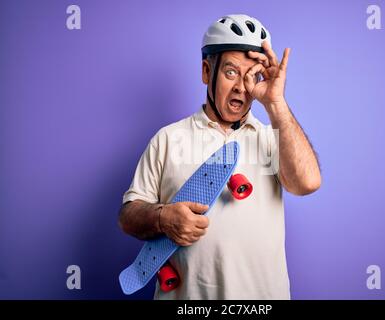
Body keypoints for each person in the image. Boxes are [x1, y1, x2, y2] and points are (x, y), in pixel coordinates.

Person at [119, 14, 321, 300]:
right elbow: (128, 217)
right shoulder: (168, 139)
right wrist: (163, 218)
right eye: (230, 72)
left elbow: (308, 182)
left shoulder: (271, 138)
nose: (241, 86)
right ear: (206, 71)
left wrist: (276, 103)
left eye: (252, 75)